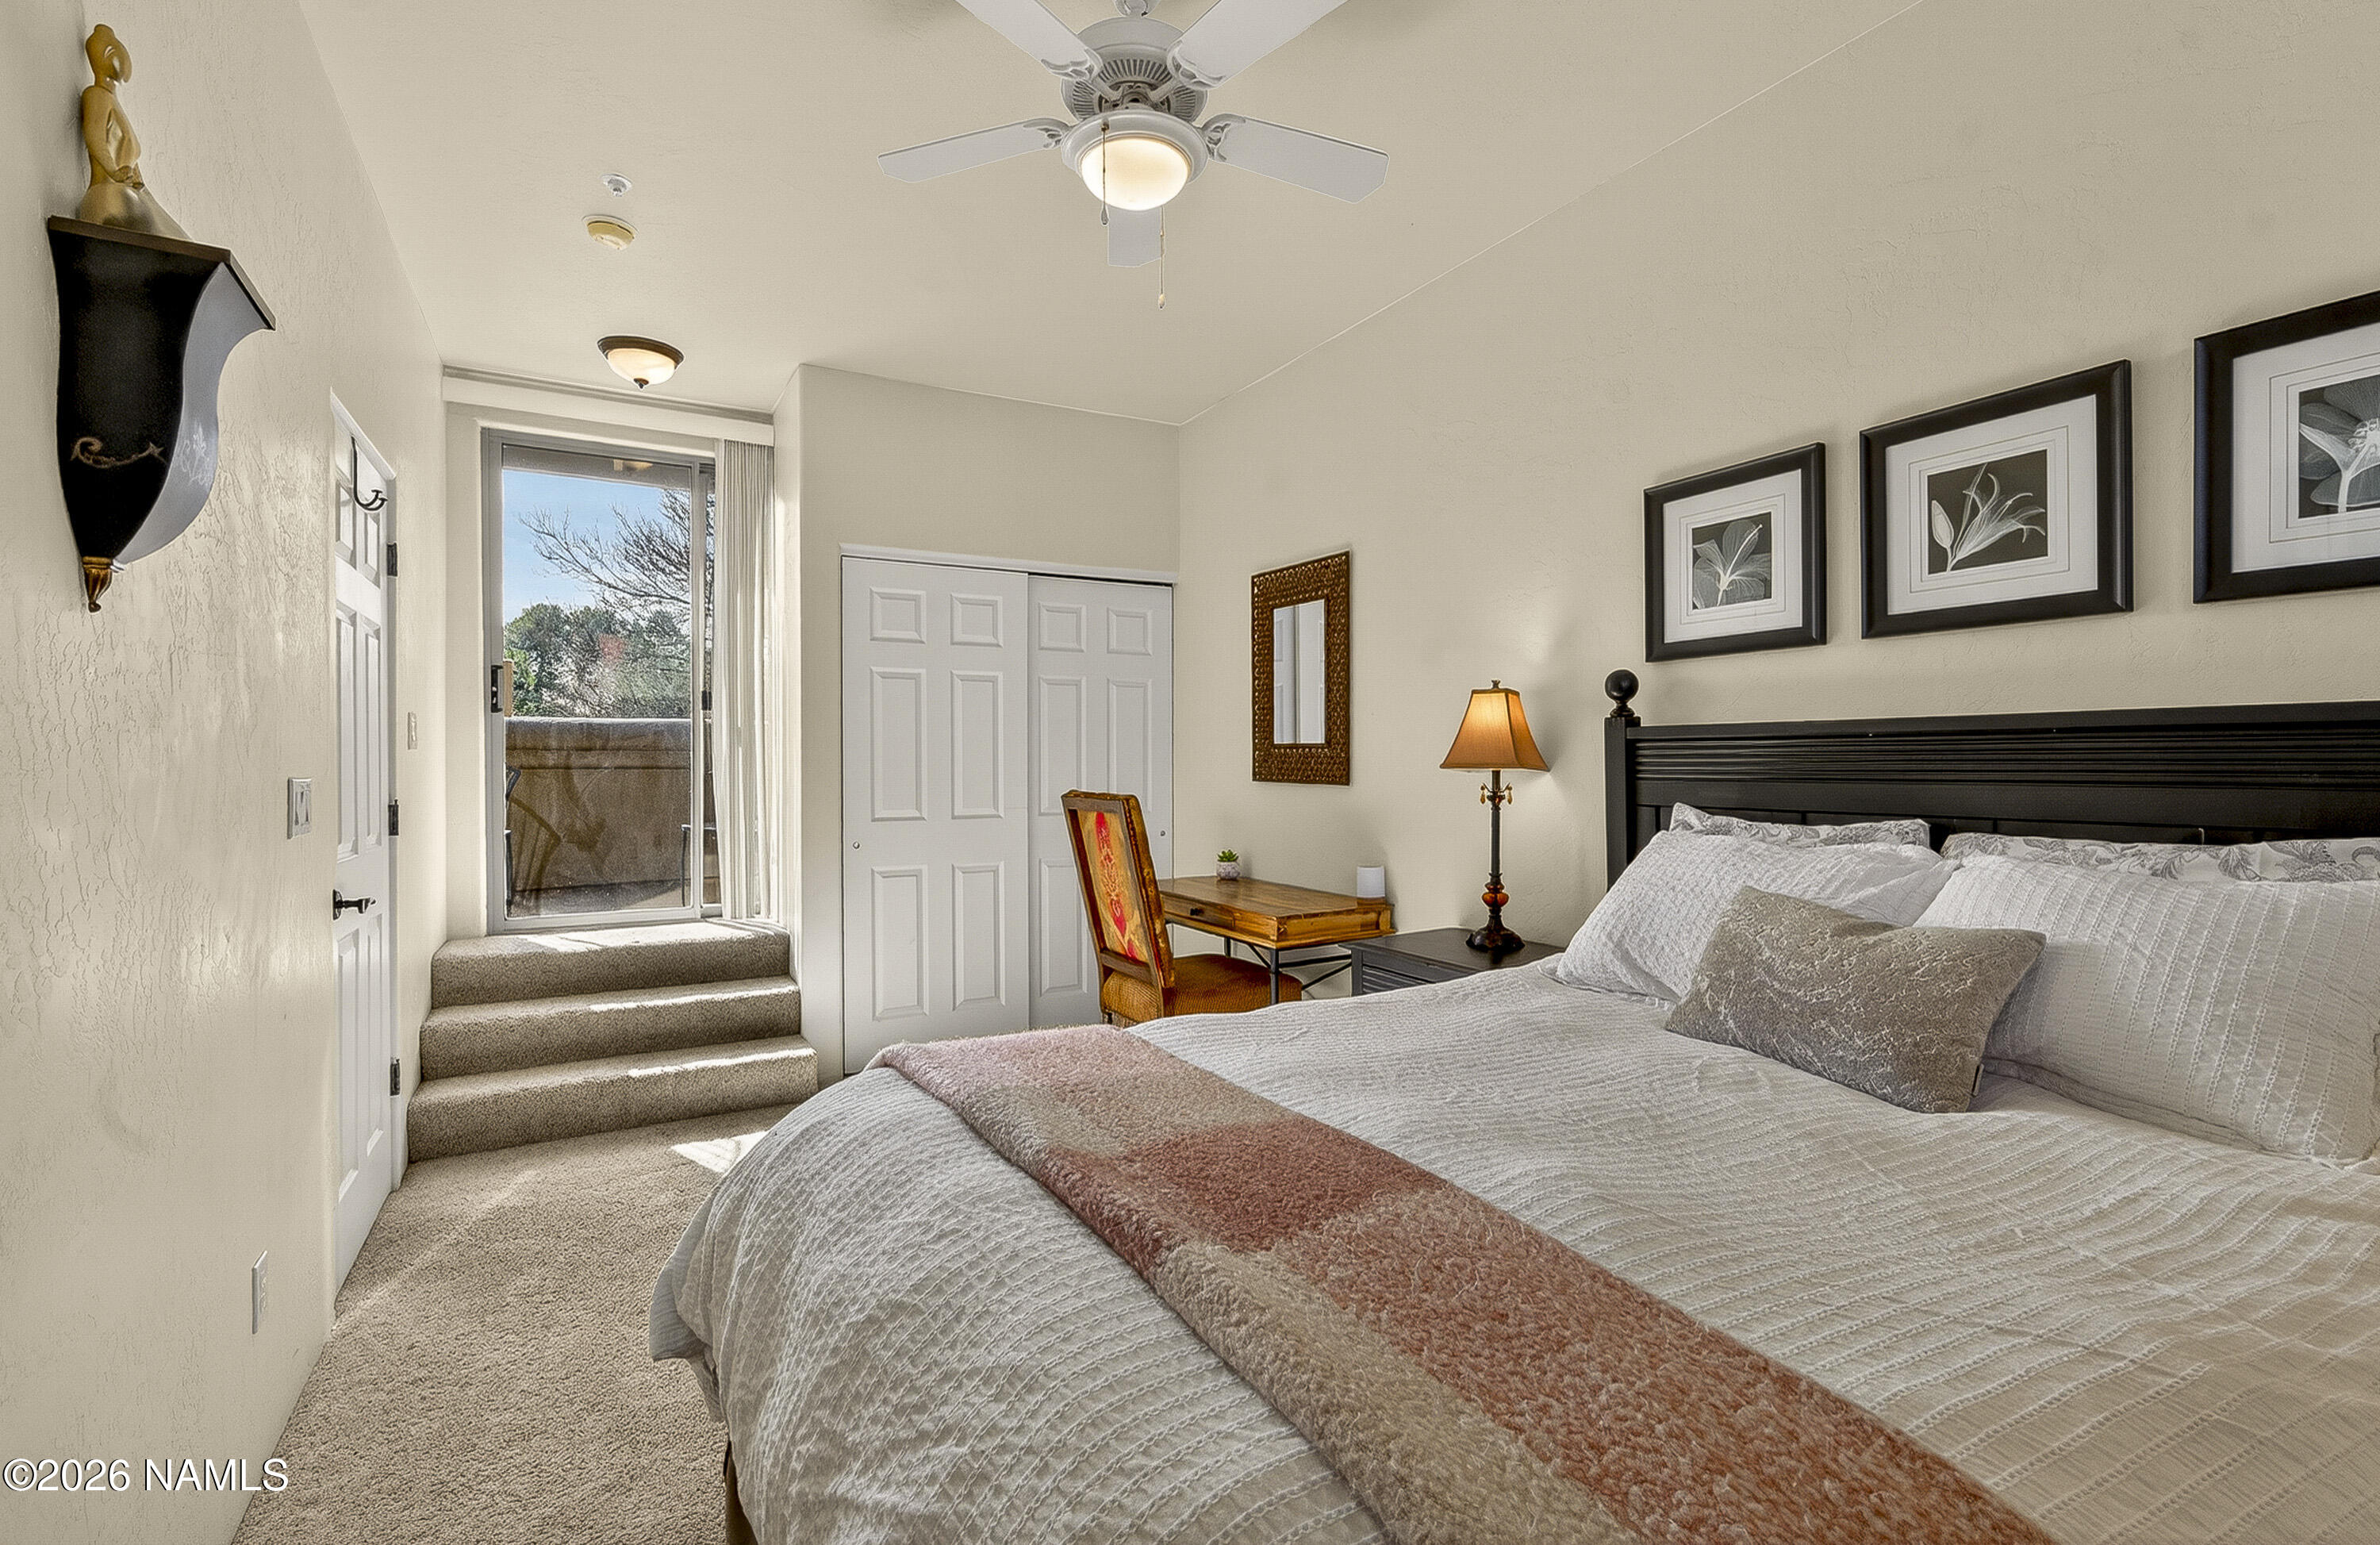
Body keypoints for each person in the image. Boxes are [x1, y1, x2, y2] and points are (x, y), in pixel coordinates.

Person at [77, 25, 187, 240]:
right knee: (165, 235)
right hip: (107, 195)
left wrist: (138, 183)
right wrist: (114, 171)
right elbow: (94, 138)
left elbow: (129, 162)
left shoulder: (114, 103)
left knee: (177, 236)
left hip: (127, 193)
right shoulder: (97, 95)